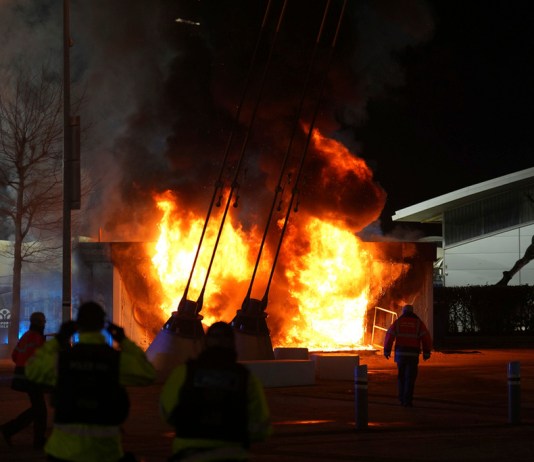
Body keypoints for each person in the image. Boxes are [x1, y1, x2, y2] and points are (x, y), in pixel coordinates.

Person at [25, 301, 156, 462]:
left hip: (63, 453)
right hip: (105, 453)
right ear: (103, 325)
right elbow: (148, 373)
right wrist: (124, 341)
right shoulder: (116, 360)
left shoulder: (63, 360)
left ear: (77, 325)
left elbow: (31, 370)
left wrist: (59, 339)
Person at [160, 321, 272, 461]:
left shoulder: (184, 372)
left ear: (205, 343)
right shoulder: (246, 377)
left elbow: (167, 412)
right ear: (233, 344)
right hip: (232, 454)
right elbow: (261, 427)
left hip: (189, 454)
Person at [1, 311, 48, 449]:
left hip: (23, 375)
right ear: (40, 323)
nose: (44, 324)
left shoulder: (26, 336)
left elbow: (15, 355)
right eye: (43, 322)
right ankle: (34, 439)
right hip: (33, 377)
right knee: (40, 410)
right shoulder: (38, 338)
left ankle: (11, 430)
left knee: (38, 409)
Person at [383, 304, 432, 407]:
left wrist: (387, 350)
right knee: (410, 378)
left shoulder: (398, 322)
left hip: (400, 355)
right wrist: (426, 352)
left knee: (401, 377)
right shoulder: (418, 323)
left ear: (403, 312)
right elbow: (426, 338)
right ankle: (407, 400)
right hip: (413, 356)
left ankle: (401, 398)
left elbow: (389, 335)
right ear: (412, 312)